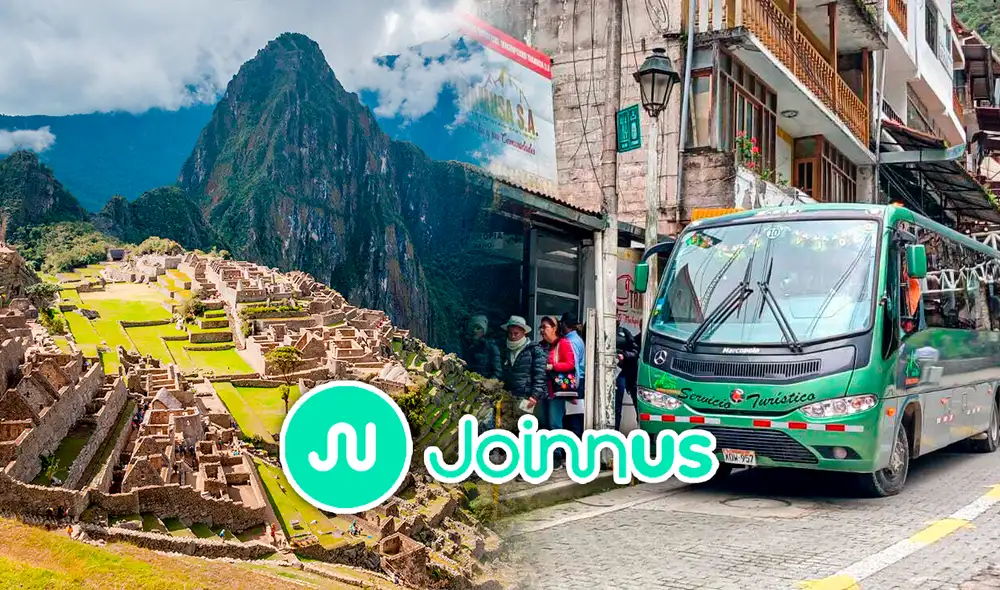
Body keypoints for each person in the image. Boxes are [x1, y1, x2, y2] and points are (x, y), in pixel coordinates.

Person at [533, 316, 576, 468]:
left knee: (554, 423)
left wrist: (553, 366)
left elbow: (570, 364)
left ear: (554, 328)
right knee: (543, 422)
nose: (542, 330)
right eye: (541, 327)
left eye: (545, 327)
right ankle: (545, 454)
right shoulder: (540, 346)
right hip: (541, 391)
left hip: (556, 391)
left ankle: (557, 456)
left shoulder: (563, 343)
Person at [499, 316, 547, 404]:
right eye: (510, 333)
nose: (512, 336)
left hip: (528, 398)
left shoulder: (535, 349)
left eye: (516, 333)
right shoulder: (504, 349)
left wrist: (535, 396)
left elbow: (540, 376)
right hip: (507, 397)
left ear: (524, 332)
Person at [615, 325, 640, 431]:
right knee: (615, 404)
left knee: (635, 403)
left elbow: (635, 352)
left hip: (624, 372)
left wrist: (624, 355)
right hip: (608, 372)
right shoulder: (600, 329)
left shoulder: (624, 332)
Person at [464, 315, 501, 379]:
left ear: (483, 331)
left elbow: (497, 371)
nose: (474, 331)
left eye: (478, 328)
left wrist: (488, 384)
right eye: (473, 327)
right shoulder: (467, 345)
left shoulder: (491, 347)